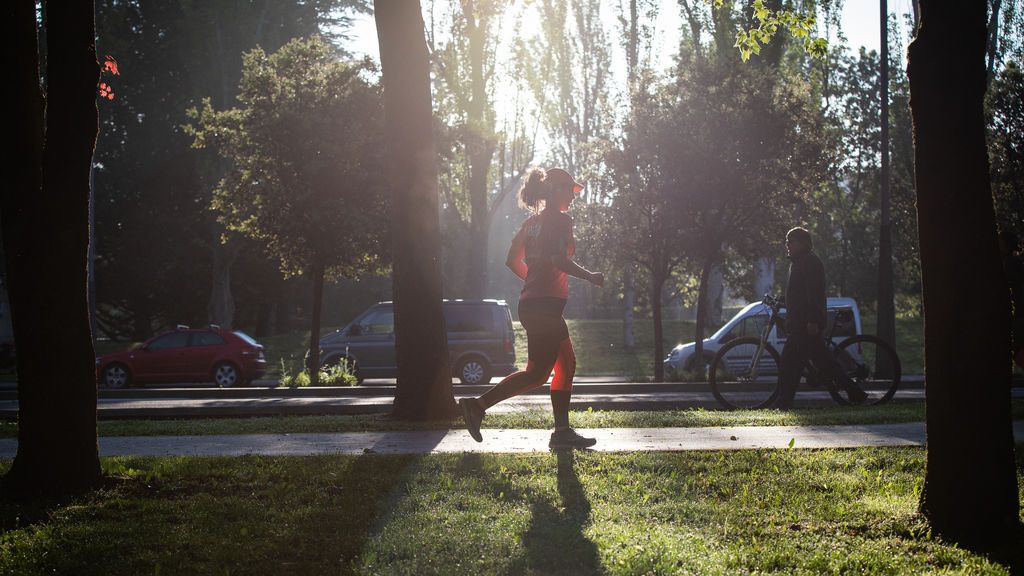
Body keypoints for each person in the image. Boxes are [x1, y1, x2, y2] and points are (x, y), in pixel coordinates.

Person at [459, 167, 605, 449]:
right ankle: (477, 406)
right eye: (570, 191)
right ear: (557, 190)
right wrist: (590, 276)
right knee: (537, 373)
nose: (572, 198)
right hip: (545, 307)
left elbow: (511, 260)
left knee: (565, 364)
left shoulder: (531, 224)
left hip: (533, 303)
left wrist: (534, 281)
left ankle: (562, 431)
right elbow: (558, 260)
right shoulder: (561, 221)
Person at [776, 227, 867, 408]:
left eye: (790, 241)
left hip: (804, 325)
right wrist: (782, 301)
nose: (787, 245)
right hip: (800, 324)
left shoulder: (810, 262)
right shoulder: (797, 262)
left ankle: (784, 404)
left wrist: (813, 320)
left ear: (803, 243)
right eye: (787, 242)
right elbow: (798, 294)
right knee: (824, 363)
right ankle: (855, 392)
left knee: (790, 365)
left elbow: (815, 294)